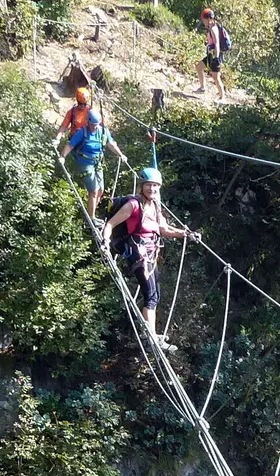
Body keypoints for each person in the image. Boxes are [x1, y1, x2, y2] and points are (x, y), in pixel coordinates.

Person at [103, 167, 197, 348]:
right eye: (148, 185)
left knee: (156, 294)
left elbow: (164, 229)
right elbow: (111, 223)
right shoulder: (133, 205)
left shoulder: (155, 205)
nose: (152, 189)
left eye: (155, 186)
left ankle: (151, 334)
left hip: (151, 254)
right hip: (137, 253)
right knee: (150, 295)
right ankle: (151, 337)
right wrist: (105, 242)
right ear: (142, 186)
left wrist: (187, 234)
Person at [60, 109, 125, 217]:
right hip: (85, 164)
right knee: (93, 191)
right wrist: (63, 156)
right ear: (88, 122)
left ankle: (90, 213)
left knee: (100, 190)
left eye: (96, 124)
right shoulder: (82, 132)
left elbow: (111, 144)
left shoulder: (103, 131)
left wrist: (121, 155)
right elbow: (70, 145)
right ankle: (91, 217)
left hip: (97, 163)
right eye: (92, 124)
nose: (94, 127)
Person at [196, 8, 227, 99]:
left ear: (208, 19)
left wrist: (216, 58)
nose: (203, 21)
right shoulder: (211, 28)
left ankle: (222, 97)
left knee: (216, 77)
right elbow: (213, 42)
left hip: (215, 56)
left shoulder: (213, 29)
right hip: (211, 55)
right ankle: (202, 88)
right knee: (199, 67)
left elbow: (217, 43)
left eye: (203, 19)